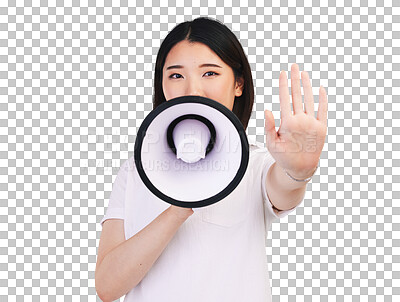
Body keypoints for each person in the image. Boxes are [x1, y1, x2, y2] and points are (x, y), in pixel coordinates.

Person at [95, 17, 327, 302]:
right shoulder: (136, 170)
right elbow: (107, 286)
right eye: (176, 75)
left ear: (239, 84)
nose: (193, 90)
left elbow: (283, 188)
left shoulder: (256, 163)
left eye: (210, 74)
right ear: (162, 85)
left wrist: (298, 171)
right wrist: (179, 205)